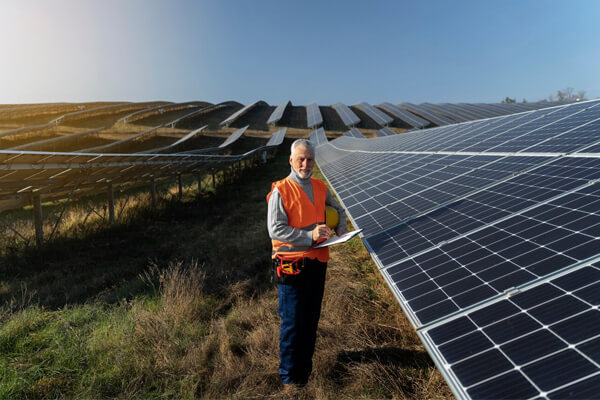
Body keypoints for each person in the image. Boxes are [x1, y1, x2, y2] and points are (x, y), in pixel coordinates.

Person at [266, 138, 347, 389]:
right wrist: (308, 236)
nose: (305, 164)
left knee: (311, 319)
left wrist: (341, 229)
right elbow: (275, 229)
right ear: (291, 160)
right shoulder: (281, 190)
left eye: (310, 159)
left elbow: (338, 210)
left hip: (317, 262)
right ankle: (290, 378)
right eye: (300, 159)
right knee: (292, 322)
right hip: (291, 265)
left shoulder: (320, 187)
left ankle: (305, 370)